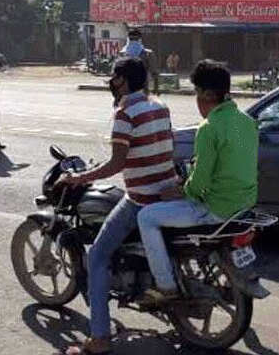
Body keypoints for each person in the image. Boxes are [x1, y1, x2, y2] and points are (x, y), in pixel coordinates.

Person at [59, 57, 178, 355]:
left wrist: (80, 177)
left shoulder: (125, 113)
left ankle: (99, 338)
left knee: (97, 256)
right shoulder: (160, 105)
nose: (111, 83)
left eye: (114, 77)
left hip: (141, 199)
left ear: (123, 81)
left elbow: (116, 163)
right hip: (168, 192)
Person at [136, 59, 259, 306]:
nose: (196, 100)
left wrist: (179, 191)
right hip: (244, 204)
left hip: (215, 208)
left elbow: (200, 182)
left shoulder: (209, 127)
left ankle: (165, 286)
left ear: (208, 94)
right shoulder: (247, 122)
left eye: (197, 93)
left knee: (146, 218)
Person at [120, 28, 160, 95]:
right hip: (142, 89)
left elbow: (116, 75)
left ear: (128, 39)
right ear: (140, 39)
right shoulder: (148, 54)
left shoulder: (122, 54)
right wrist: (156, 88)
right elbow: (154, 72)